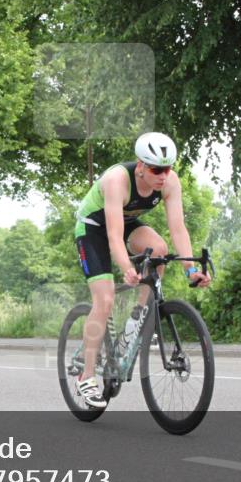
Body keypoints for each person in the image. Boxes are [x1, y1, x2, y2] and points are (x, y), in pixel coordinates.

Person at [73, 132, 211, 408]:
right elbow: (113, 236)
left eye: (168, 168)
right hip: (93, 228)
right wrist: (127, 267)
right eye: (156, 170)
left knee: (159, 250)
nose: (163, 175)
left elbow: (177, 228)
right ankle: (86, 377)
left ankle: (137, 318)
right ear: (140, 166)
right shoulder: (116, 180)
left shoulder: (169, 182)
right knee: (105, 299)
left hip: (126, 223)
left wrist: (190, 269)